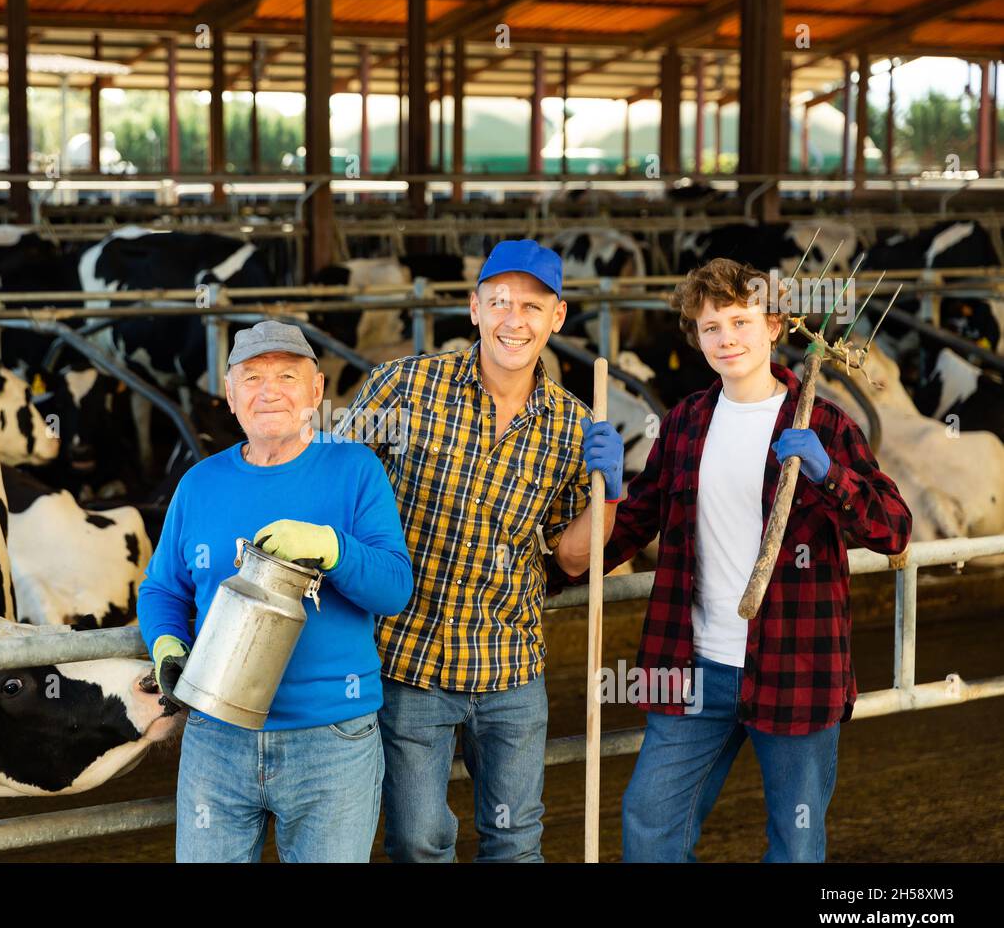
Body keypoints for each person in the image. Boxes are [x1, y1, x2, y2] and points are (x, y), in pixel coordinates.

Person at [563, 257, 913, 862]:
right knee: (650, 826)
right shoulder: (683, 425)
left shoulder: (824, 424)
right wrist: (607, 494)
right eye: (710, 327)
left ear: (774, 324)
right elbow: (622, 536)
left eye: (740, 321)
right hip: (692, 668)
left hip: (795, 668)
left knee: (796, 843)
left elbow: (894, 531)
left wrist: (832, 478)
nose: (727, 338)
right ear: (697, 338)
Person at [336, 239, 625, 862]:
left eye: (530, 305)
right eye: (498, 302)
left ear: (557, 317)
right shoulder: (403, 386)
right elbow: (335, 487)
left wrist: (610, 495)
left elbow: (575, 560)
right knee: (417, 840)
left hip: (511, 665)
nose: (512, 320)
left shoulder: (574, 426)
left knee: (516, 842)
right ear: (474, 309)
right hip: (409, 658)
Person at [137, 320, 413, 863]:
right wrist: (167, 644)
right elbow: (162, 589)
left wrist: (334, 548)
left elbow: (393, 588)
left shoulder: (355, 470)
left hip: (331, 737)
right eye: (253, 377)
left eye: (289, 375)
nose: (270, 390)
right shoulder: (199, 483)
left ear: (316, 392)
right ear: (230, 393)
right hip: (215, 735)